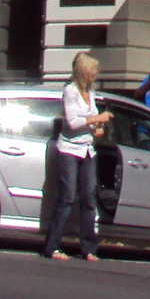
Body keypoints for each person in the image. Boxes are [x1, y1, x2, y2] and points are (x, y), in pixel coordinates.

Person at [42, 51, 111, 262]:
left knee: (89, 198)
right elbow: (72, 122)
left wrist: (97, 128)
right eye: (92, 71)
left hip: (88, 149)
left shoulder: (90, 94)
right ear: (83, 71)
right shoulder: (70, 92)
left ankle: (89, 247)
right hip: (70, 150)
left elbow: (90, 122)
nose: (94, 75)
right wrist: (97, 118)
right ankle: (52, 245)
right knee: (67, 197)